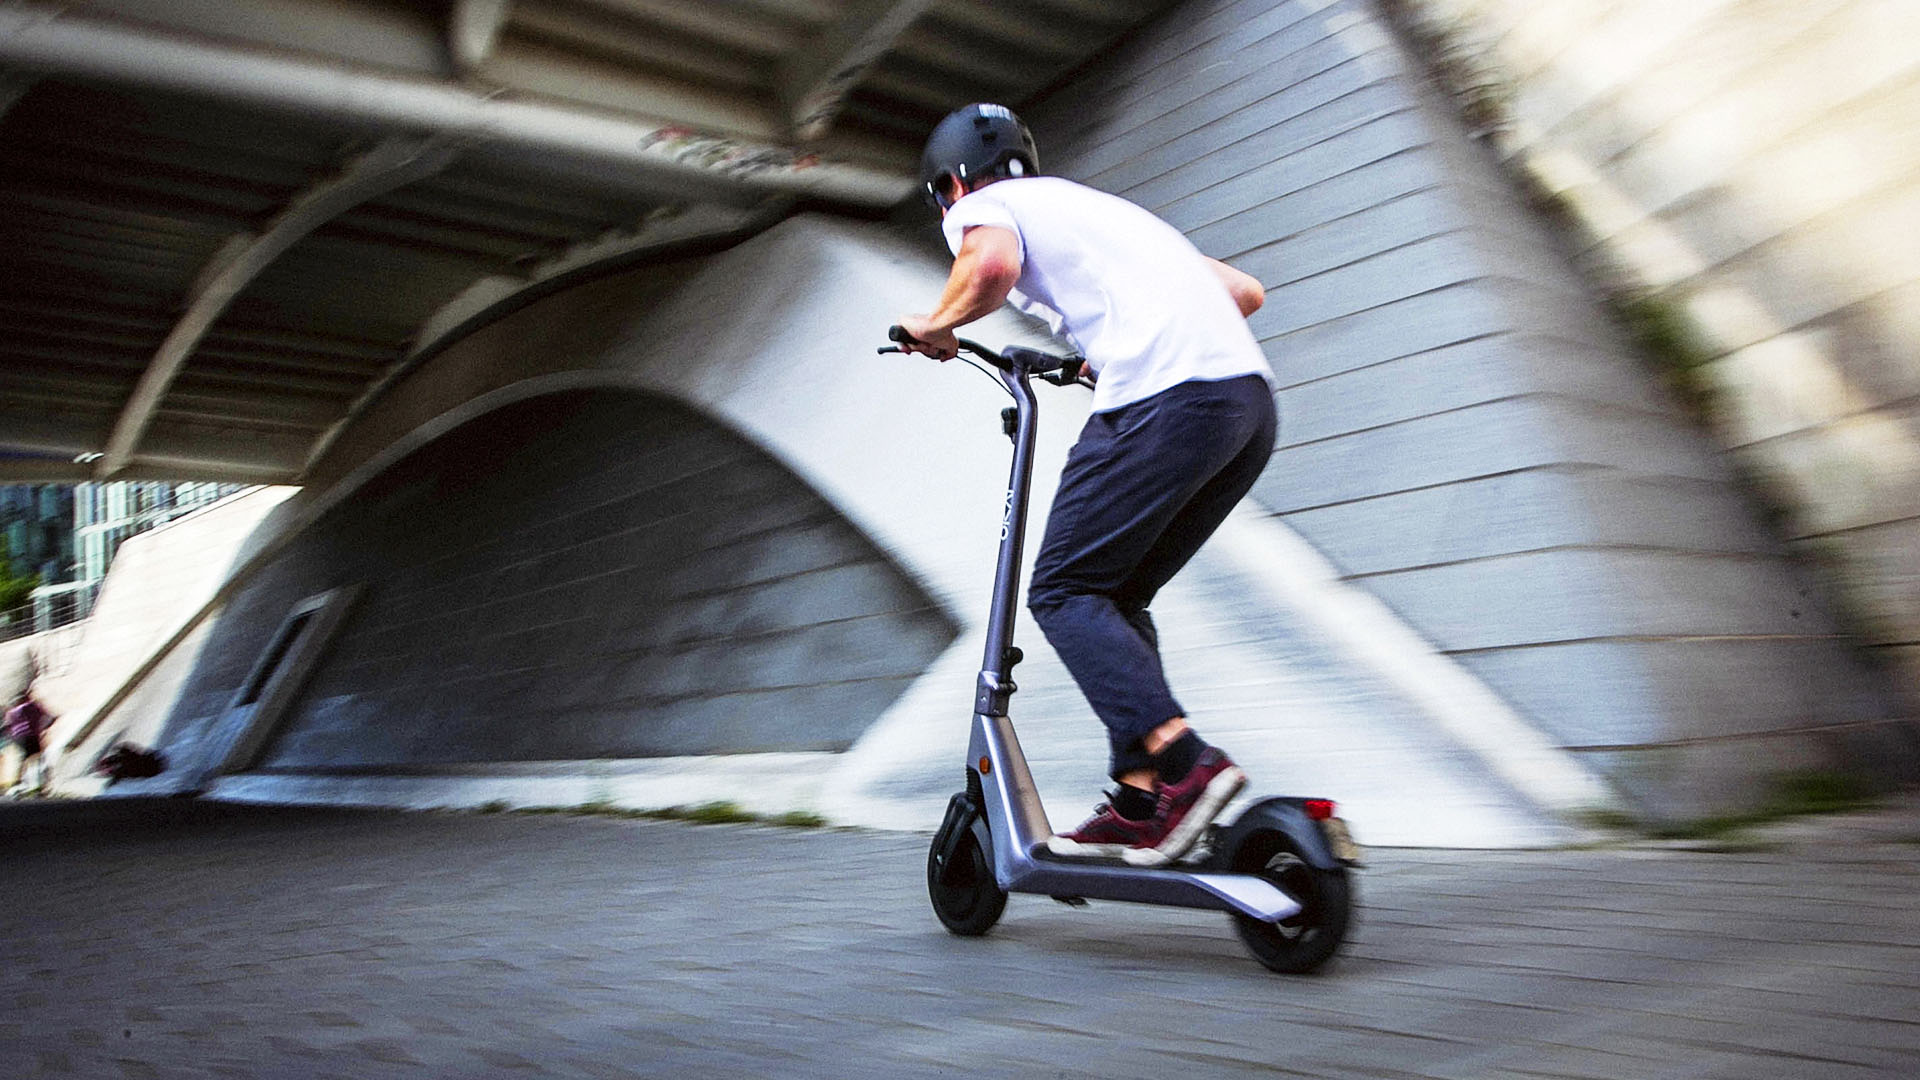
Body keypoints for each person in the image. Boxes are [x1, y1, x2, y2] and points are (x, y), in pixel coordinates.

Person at [896, 103, 1277, 867]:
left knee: (1063, 592)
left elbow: (992, 267)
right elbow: (1243, 292)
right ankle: (1140, 800)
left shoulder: (985, 208)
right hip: (1245, 407)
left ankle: (1184, 763)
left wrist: (937, 323)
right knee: (1115, 595)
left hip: (1167, 399)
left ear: (952, 184)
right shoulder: (1099, 212)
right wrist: (1099, 351)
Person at [5, 690, 54, 797]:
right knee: (36, 760)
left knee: (22, 760)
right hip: (32, 736)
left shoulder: (12, 712)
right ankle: (37, 785)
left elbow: (8, 725)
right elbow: (49, 718)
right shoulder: (34, 706)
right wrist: (43, 727)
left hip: (18, 738)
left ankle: (16, 784)